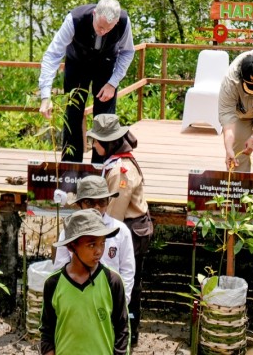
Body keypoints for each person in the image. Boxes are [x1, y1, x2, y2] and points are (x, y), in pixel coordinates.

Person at [38, 0, 135, 162]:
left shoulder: (124, 22)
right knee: (73, 116)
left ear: (116, 22)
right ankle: (70, 165)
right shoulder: (74, 19)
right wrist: (45, 96)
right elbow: (53, 55)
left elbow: (127, 52)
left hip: (106, 69)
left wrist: (113, 83)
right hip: (77, 65)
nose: (103, 31)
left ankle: (102, 166)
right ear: (94, 13)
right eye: (100, 26)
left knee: (105, 119)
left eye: (108, 28)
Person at [89, 113, 153, 344]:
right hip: (134, 226)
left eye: (96, 141)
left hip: (129, 229)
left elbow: (112, 213)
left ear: (108, 142)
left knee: (125, 279)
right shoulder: (118, 162)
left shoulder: (119, 171)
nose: (94, 145)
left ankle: (127, 332)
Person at [40, 208, 130, 355]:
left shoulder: (112, 281)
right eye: (91, 245)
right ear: (71, 246)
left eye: (102, 243)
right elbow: (47, 330)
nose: (99, 251)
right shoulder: (53, 283)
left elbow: (122, 330)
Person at [53, 175, 135, 307]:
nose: (96, 207)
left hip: (110, 300)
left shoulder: (121, 231)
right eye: (90, 202)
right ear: (80, 204)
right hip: (76, 299)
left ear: (108, 202)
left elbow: (127, 271)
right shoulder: (68, 233)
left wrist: (121, 302)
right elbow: (60, 269)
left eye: (102, 202)